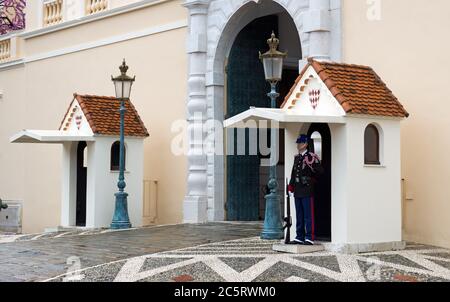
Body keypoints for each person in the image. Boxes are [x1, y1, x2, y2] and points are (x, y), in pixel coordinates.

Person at [288, 134, 323, 245]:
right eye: (298, 143)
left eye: (300, 143)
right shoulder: (297, 157)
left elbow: (320, 171)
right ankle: (299, 236)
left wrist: (311, 178)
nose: (298, 145)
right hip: (298, 190)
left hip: (307, 190)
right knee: (299, 215)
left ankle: (309, 237)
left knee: (308, 215)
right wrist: (291, 185)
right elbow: (294, 172)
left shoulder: (311, 157)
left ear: (306, 144)